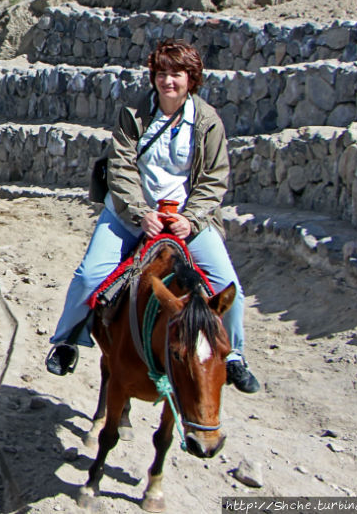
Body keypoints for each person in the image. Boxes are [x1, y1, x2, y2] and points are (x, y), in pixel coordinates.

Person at [45, 38, 260, 394]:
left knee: (226, 286)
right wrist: (141, 212)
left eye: (176, 74)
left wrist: (191, 217)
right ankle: (67, 340)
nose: (168, 81)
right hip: (130, 214)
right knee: (88, 276)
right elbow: (122, 168)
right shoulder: (134, 115)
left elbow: (214, 177)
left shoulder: (208, 123)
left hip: (186, 219)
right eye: (162, 73)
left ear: (191, 78)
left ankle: (234, 354)